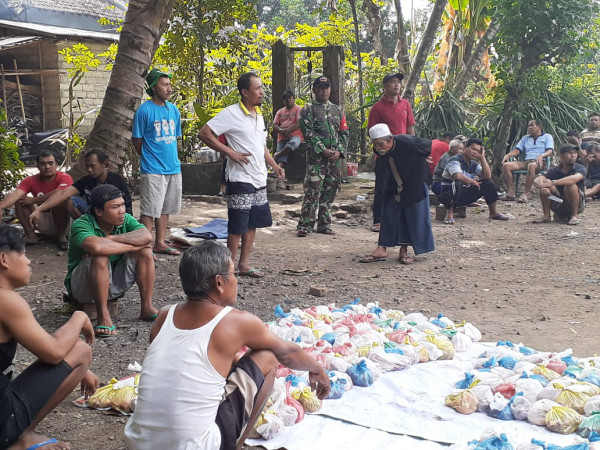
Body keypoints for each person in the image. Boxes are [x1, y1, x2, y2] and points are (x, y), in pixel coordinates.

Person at [124, 240, 330, 450]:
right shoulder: (235, 321)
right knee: (266, 356)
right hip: (194, 446)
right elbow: (287, 353)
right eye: (233, 274)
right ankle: (235, 446)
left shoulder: (164, 315)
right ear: (219, 283)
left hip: (139, 441)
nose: (236, 281)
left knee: (232, 362)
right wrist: (317, 368)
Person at [0, 224, 98, 450]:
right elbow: (54, 353)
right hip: (2, 424)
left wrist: (78, 370)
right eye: (23, 253)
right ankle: (18, 440)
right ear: (4, 259)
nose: (28, 261)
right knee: (81, 351)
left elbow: (42, 342)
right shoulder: (6, 300)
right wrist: (79, 316)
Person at [198, 73, 284, 278]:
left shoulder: (259, 115)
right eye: (258, 88)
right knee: (237, 226)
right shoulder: (231, 113)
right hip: (240, 179)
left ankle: (244, 265)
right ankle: (228, 268)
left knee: (252, 223)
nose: (262, 92)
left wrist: (273, 166)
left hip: (258, 178)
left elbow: (261, 147)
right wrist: (230, 152)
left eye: (262, 88)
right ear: (245, 92)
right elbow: (204, 133)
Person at [65, 185, 157, 337]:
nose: (122, 210)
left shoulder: (124, 219)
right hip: (82, 288)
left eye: (122, 205)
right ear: (99, 211)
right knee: (100, 255)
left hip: (112, 283)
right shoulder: (82, 224)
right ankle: (103, 316)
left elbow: (146, 236)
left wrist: (111, 238)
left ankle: (146, 308)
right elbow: (97, 247)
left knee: (145, 251)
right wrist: (132, 247)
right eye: (115, 207)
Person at [359, 124, 434, 264]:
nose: (378, 147)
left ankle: (404, 250)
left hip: (415, 182)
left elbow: (430, 146)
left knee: (412, 214)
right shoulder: (381, 152)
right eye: (375, 145)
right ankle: (381, 248)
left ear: (390, 140)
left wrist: (424, 157)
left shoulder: (407, 141)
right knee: (389, 211)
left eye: (380, 144)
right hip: (395, 183)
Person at [132, 68, 182, 256]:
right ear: (154, 87)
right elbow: (137, 140)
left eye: (169, 84)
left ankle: (160, 243)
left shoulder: (173, 109)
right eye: (165, 85)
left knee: (166, 207)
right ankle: (146, 245)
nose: (169, 88)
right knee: (149, 209)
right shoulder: (144, 111)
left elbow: (175, 138)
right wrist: (147, 157)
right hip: (152, 168)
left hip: (173, 167)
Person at [296, 76, 349, 237]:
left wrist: (339, 151)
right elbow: (308, 132)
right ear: (314, 90)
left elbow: (344, 132)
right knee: (312, 191)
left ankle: (324, 224)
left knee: (330, 191)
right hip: (316, 160)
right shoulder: (308, 109)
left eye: (327, 87)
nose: (324, 90)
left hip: (334, 160)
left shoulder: (337, 110)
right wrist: (322, 150)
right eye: (320, 87)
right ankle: (305, 225)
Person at [29, 149, 132, 227]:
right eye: (87, 166)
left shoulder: (115, 180)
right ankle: (87, 228)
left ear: (104, 164)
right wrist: (39, 209)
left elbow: (125, 206)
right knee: (67, 199)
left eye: (93, 166)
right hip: (94, 213)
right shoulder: (86, 180)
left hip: (115, 216)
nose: (89, 170)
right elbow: (62, 194)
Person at [367, 72, 415, 233]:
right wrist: (381, 150)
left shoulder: (405, 105)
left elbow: (410, 129)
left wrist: (413, 148)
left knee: (403, 186)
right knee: (382, 187)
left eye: (398, 82)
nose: (396, 85)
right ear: (385, 86)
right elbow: (372, 132)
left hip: (403, 152)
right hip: (384, 153)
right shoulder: (377, 108)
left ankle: (400, 217)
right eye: (393, 82)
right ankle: (378, 220)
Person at [0, 151, 71, 250]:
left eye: (50, 163)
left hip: (63, 222)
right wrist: (1, 206)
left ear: (56, 165)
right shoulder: (30, 180)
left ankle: (61, 237)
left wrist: (33, 200)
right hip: (40, 219)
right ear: (37, 166)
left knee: (60, 201)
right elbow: (16, 194)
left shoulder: (65, 177)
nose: (47, 167)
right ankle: (31, 236)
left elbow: (59, 193)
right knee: (21, 200)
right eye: (43, 164)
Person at [440, 138, 510, 224]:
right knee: (458, 182)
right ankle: (449, 213)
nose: (475, 152)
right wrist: (473, 182)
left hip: (463, 195)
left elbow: (487, 176)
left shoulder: (473, 164)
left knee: (488, 183)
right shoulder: (455, 159)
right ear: (465, 147)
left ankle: (493, 212)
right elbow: (457, 176)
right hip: (448, 194)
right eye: (473, 149)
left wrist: (482, 158)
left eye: (477, 151)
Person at [501, 118, 554, 203]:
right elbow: (517, 150)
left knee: (531, 165)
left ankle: (525, 194)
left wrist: (542, 155)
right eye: (529, 125)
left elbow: (550, 151)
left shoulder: (547, 137)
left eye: (532, 125)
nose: (529, 127)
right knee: (506, 166)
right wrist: (508, 155)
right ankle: (510, 193)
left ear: (539, 127)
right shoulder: (525, 138)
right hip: (526, 162)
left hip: (540, 162)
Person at [532, 143, 586, 225]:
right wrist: (540, 185)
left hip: (576, 203)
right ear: (561, 155)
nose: (573, 155)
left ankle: (574, 215)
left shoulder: (580, 168)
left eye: (575, 153)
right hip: (559, 201)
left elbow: (574, 178)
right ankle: (546, 215)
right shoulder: (555, 170)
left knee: (570, 185)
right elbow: (539, 179)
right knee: (546, 189)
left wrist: (553, 182)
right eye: (570, 153)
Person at [273, 90, 303, 188]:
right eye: (286, 98)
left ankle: (278, 154)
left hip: (295, 136)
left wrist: (287, 130)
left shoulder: (298, 109)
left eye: (290, 98)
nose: (288, 100)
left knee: (294, 143)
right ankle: (279, 180)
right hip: (282, 137)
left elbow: (299, 123)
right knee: (281, 161)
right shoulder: (280, 111)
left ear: (294, 99)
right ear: (283, 101)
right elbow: (274, 125)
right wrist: (281, 130)